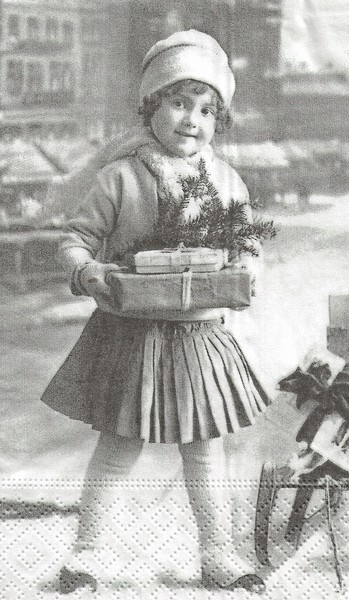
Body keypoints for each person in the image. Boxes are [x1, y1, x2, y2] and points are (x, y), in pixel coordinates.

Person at [41, 30, 269, 594]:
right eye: (179, 103)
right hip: (132, 333)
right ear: (151, 107)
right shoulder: (120, 177)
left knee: (205, 450)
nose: (192, 120)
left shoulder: (226, 182)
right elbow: (76, 240)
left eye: (207, 110)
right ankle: (88, 554)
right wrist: (89, 272)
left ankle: (218, 554)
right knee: (120, 445)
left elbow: (247, 245)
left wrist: (246, 266)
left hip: (198, 335)